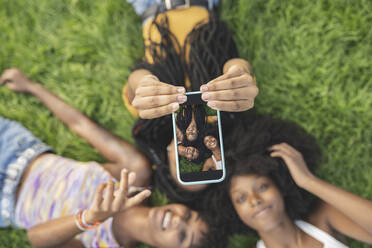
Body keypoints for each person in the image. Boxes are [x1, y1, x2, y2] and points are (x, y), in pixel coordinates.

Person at [0, 68, 225, 248]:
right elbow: (82, 126)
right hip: (15, 150)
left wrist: (91, 217)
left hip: (5, 204)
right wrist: (32, 87)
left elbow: (35, 237)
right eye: (187, 215)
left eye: (182, 236)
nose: (177, 221)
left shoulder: (103, 244)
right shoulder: (135, 172)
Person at [122, 0, 259, 203]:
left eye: (186, 163)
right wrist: (239, 73)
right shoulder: (224, 112)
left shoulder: (153, 114)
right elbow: (234, 63)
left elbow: (136, 84)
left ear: (168, 156)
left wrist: (144, 83)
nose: (194, 152)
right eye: (205, 163)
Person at [212, 113, 372, 247]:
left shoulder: (322, 219)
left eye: (262, 187)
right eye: (241, 198)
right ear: (232, 210)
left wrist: (308, 181)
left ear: (280, 186)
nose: (255, 201)